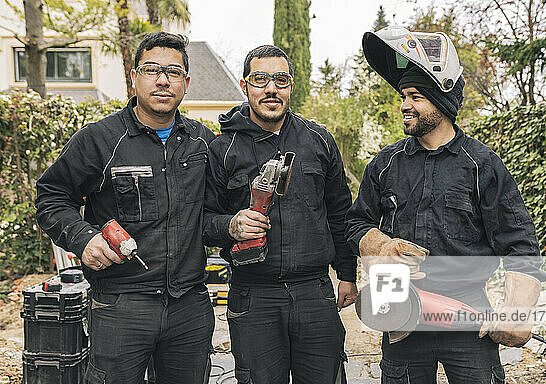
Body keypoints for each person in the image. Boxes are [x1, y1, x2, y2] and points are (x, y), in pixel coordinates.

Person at [346, 26, 546, 383]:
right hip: (400, 311)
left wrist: (517, 311)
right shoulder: (386, 163)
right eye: (403, 96)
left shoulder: (480, 164)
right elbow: (356, 224)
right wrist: (381, 246)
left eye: (415, 97)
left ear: (442, 99)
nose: (404, 105)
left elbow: (520, 244)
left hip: (467, 315)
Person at [35, 32, 215, 384]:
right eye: (151, 69)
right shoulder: (99, 140)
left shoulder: (202, 142)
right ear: (134, 78)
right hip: (121, 306)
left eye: (173, 72)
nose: (163, 80)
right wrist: (84, 238)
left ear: (186, 82)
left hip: (189, 306)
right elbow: (51, 196)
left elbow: (216, 213)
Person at [203, 45, 357, 384]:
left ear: (291, 86)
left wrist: (347, 273)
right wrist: (231, 225)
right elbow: (201, 221)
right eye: (260, 79)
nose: (271, 88)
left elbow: (340, 213)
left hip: (314, 292)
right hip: (253, 295)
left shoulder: (318, 140)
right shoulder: (222, 149)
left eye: (280, 79)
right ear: (245, 86)